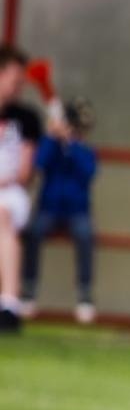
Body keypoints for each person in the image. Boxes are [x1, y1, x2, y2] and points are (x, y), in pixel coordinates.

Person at [21, 99, 99, 323]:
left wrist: (70, 143)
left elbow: (89, 172)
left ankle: (85, 294)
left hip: (77, 211)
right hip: (49, 208)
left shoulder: (86, 150)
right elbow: (40, 163)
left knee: (85, 235)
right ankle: (28, 290)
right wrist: (51, 136)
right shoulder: (51, 145)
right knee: (33, 231)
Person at [0, 44, 43, 336]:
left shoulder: (27, 118)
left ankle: (9, 304)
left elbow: (24, 172)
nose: (19, 86)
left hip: (10, 193)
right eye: (15, 78)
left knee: (1, 215)